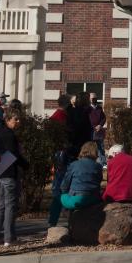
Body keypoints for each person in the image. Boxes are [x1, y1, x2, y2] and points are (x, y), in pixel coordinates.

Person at [0, 107, 29, 247]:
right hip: (9, 172)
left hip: (0, 171)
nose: (18, 122)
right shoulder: (9, 135)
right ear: (7, 120)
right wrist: (26, 164)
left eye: (19, 120)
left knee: (1, 205)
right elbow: (14, 155)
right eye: (15, 119)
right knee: (10, 206)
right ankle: (9, 238)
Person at [47, 95, 73, 227]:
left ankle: (54, 218)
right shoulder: (62, 116)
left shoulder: (54, 116)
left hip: (57, 152)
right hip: (62, 152)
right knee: (61, 185)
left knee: (59, 184)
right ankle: (57, 217)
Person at [60, 141, 103, 212]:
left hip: (76, 199)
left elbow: (64, 185)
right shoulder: (98, 166)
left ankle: (69, 213)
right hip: (94, 199)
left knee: (63, 196)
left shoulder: (74, 164)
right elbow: (99, 181)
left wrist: (66, 192)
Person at [89, 94, 107, 164]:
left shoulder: (99, 108)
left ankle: (102, 162)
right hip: (91, 131)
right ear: (89, 99)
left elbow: (103, 118)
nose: (94, 100)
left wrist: (100, 125)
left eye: (95, 98)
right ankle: (91, 162)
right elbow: (87, 120)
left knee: (101, 147)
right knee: (91, 147)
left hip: (99, 131)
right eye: (92, 98)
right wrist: (94, 127)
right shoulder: (87, 108)